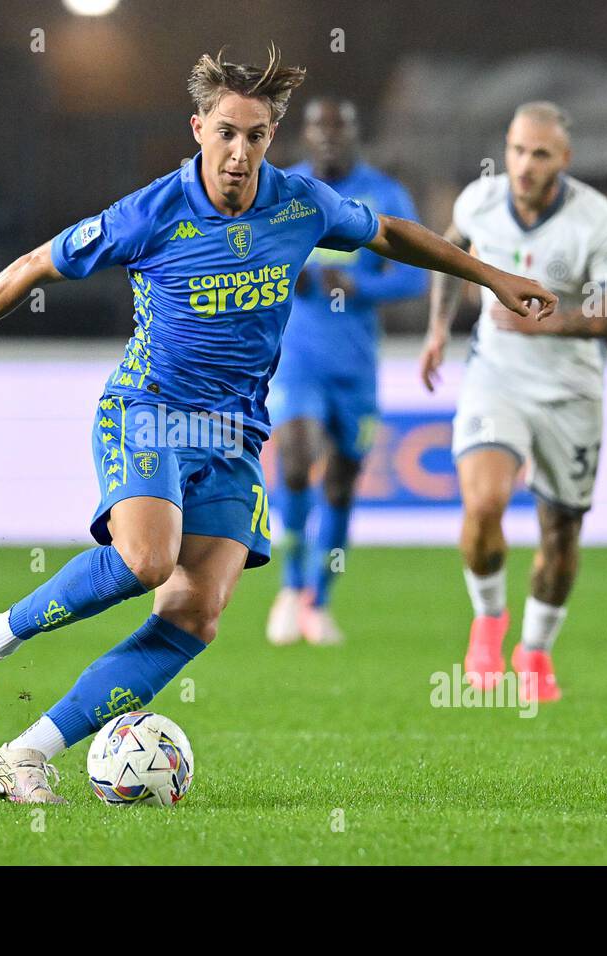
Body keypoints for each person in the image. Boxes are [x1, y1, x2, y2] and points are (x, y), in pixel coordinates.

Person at [0, 47, 556, 803]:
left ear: (272, 136)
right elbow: (37, 265)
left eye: (255, 135)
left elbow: (392, 235)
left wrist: (493, 277)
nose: (240, 152)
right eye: (225, 134)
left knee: (195, 615)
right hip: (147, 410)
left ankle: (23, 754)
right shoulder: (152, 211)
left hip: (233, 434)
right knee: (147, 562)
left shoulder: (299, 204)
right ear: (198, 130)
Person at [420, 102, 607, 703]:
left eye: (540, 153)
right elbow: (447, 254)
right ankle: (488, 625)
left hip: (571, 392)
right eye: (517, 149)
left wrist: (553, 325)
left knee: (560, 534)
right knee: (485, 500)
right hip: (498, 380)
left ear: (563, 159)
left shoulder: (596, 219)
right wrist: (439, 330)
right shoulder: (480, 201)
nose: (523, 163)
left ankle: (535, 652)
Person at [265, 96, 427, 647]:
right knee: (296, 459)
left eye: (341, 126)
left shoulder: (385, 194)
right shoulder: (281, 189)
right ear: (304, 136)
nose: (330, 137)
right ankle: (289, 587)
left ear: (357, 133)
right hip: (296, 362)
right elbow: (249, 262)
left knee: (340, 485)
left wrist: (361, 288)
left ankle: (319, 599)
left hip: (356, 370)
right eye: (319, 128)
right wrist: (289, 279)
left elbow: (416, 278)